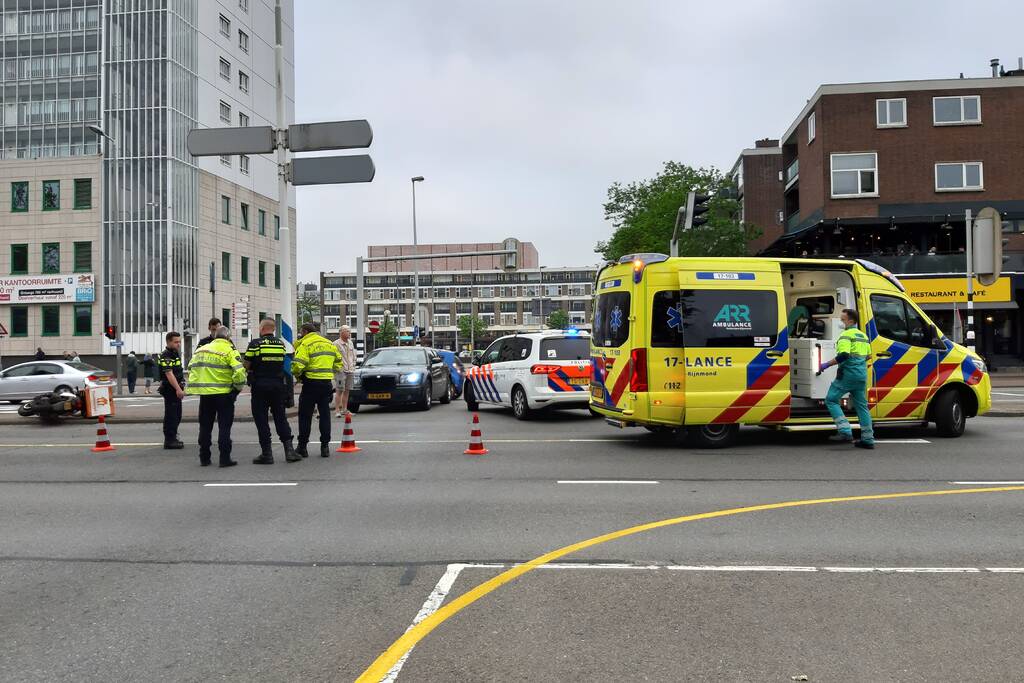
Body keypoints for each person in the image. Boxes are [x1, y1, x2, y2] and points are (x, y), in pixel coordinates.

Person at [186, 326, 247, 467]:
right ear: (228, 337)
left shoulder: (202, 349)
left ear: (214, 336)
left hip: (206, 395)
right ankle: (224, 459)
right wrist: (236, 390)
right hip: (224, 395)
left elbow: (191, 368)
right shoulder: (230, 350)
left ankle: (204, 458)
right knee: (224, 427)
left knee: (205, 427)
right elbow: (239, 373)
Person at [817, 308, 875, 450]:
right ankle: (868, 439)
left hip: (847, 374)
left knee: (831, 399)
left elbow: (843, 355)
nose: (841, 322)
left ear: (851, 321)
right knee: (862, 406)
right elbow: (868, 356)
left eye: (843, 320)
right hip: (861, 375)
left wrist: (825, 365)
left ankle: (844, 431)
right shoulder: (863, 336)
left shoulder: (846, 335)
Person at [244, 318, 300, 464]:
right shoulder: (280, 344)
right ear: (273, 329)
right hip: (277, 386)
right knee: (280, 418)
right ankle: (289, 451)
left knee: (261, 419)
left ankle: (267, 454)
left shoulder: (255, 344)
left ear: (262, 329)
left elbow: (247, 365)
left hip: (260, 386)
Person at [292, 322, 342, 458]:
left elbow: (297, 365)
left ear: (305, 332)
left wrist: (298, 375)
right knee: (325, 415)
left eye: (301, 333)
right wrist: (329, 370)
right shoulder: (329, 343)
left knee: (305, 416)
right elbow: (339, 362)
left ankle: (302, 447)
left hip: (310, 384)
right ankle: (325, 447)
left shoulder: (306, 344)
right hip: (326, 384)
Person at [158, 333, 186, 450]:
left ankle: (173, 436)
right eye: (176, 342)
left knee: (177, 415)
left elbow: (178, 372)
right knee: (171, 415)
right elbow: (169, 374)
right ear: (168, 342)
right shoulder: (167, 355)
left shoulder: (174, 354)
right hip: (171, 390)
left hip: (174, 389)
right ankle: (169, 440)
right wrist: (178, 389)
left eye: (179, 342)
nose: (178, 344)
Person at [333, 325, 357, 418]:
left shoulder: (350, 343)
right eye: (347, 331)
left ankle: (345, 409)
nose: (349, 333)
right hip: (341, 371)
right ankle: (337, 410)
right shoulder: (335, 344)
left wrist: (353, 365)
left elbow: (353, 355)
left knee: (347, 390)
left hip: (350, 369)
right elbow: (334, 357)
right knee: (339, 390)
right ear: (341, 332)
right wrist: (338, 368)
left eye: (349, 331)